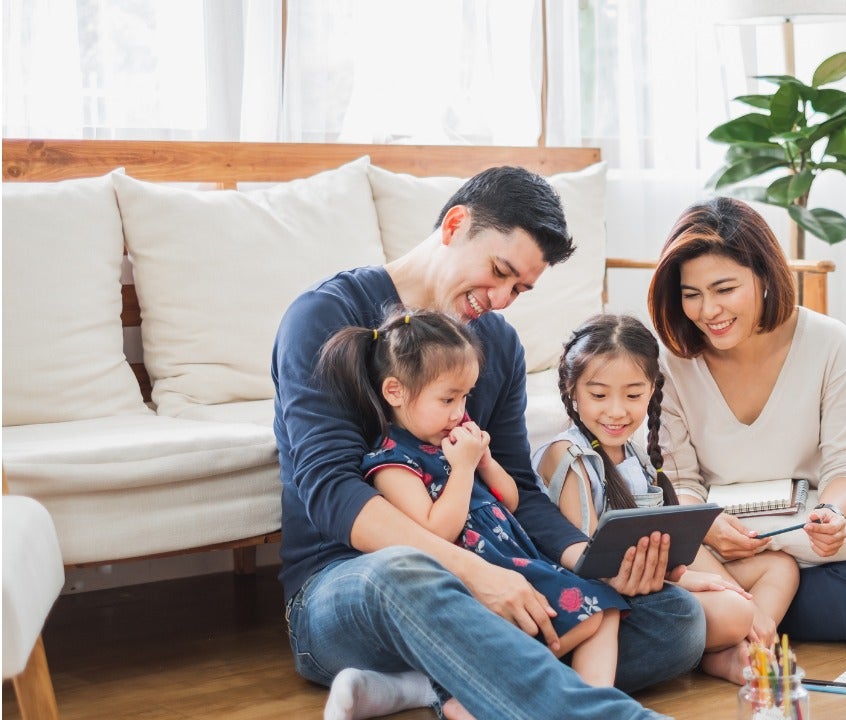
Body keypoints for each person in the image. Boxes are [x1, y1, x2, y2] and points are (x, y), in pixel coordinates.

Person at [272, 166, 704, 720]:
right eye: (499, 272)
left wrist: (592, 562)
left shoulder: (497, 346)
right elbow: (331, 491)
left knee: (675, 619)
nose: (501, 299)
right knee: (404, 573)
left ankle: (427, 688)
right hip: (352, 587)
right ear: (455, 225)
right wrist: (476, 575)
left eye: (519, 288)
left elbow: (518, 486)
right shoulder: (325, 315)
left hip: (492, 570)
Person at [316, 308, 627, 695]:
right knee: (583, 618)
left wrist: (486, 462)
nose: (460, 412)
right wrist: (462, 470)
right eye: (447, 398)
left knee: (605, 608)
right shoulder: (392, 462)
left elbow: (509, 502)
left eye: (464, 397)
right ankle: (488, 691)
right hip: (472, 579)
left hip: (518, 561)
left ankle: (592, 702)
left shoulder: (455, 441)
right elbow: (436, 531)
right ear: (395, 391)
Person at [646, 196, 846, 642]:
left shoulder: (828, 342)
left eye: (724, 289)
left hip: (797, 536)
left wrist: (831, 511)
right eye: (692, 295)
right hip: (717, 545)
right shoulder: (672, 363)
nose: (708, 311)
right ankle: (748, 612)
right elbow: (678, 483)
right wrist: (707, 525)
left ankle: (731, 618)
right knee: (665, 561)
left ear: (765, 276)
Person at [533, 314, 794, 684]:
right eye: (599, 395)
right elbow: (591, 565)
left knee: (781, 568)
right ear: (572, 389)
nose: (616, 410)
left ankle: (738, 647)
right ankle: (729, 646)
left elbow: (667, 543)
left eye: (633, 395)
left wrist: (698, 579)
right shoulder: (567, 455)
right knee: (734, 611)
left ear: (652, 390)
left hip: (659, 579)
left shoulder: (635, 456)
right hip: (612, 595)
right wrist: (690, 584)